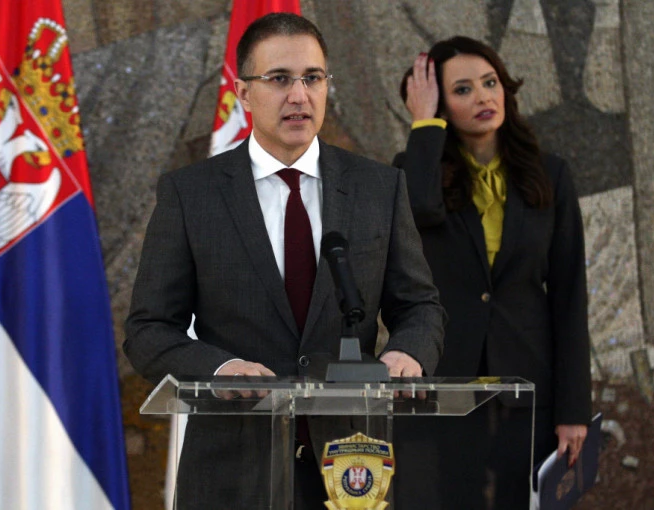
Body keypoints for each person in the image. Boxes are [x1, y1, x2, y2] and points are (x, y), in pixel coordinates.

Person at [123, 13, 445, 510]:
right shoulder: (191, 195)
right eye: (279, 79)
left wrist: (409, 352)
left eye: (312, 78)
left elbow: (419, 305)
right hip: (233, 470)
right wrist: (221, 368)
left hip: (351, 469)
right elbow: (148, 330)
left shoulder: (378, 188)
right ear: (243, 93)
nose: (299, 95)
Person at [392, 36, 592, 509]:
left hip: (530, 384)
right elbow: (417, 212)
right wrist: (424, 126)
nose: (483, 96)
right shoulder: (413, 171)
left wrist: (574, 410)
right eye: (462, 89)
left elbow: (570, 296)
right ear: (440, 105)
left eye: (490, 82)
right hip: (445, 385)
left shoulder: (550, 174)